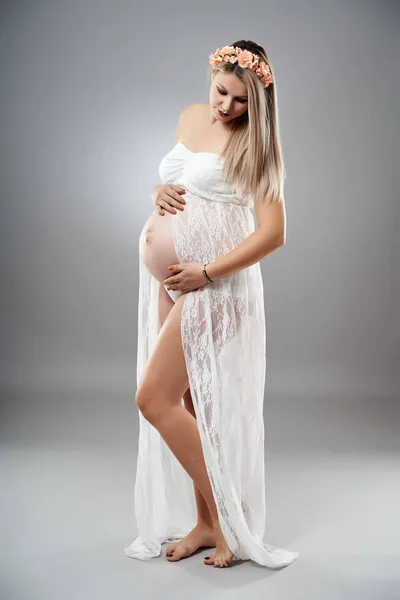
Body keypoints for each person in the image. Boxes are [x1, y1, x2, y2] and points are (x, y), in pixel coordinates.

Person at [124, 40, 300, 569]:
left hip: (213, 286)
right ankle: (204, 523)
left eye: (241, 101)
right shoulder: (191, 116)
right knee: (191, 404)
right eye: (221, 92)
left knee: (152, 399)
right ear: (212, 77)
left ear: (259, 103)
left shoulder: (257, 146)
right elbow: (179, 182)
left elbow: (274, 234)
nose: (225, 107)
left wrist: (207, 271)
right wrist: (158, 191)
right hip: (171, 283)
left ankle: (228, 520)